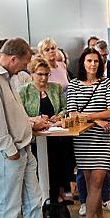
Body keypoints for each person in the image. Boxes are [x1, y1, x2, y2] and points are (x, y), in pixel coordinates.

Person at [0, 38, 72, 218]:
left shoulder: (9, 78)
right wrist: (10, 151)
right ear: (13, 59)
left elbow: (14, 114)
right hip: (8, 153)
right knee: (9, 205)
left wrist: (30, 125)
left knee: (34, 201)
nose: (26, 67)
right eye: (25, 62)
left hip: (24, 147)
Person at [66, 47, 110, 218]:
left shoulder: (107, 84)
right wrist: (95, 119)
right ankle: (99, 216)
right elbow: (72, 114)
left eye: (96, 61)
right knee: (89, 182)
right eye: (89, 61)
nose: (93, 64)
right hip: (83, 138)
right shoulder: (74, 85)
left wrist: (87, 116)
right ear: (83, 63)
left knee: (98, 179)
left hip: (103, 137)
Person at [18, 58, 70, 202]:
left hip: (54, 135)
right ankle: (39, 199)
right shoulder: (24, 91)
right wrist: (36, 118)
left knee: (55, 167)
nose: (44, 78)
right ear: (32, 73)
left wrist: (57, 116)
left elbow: (65, 108)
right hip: (34, 138)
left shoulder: (56, 88)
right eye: (40, 74)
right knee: (37, 169)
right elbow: (20, 114)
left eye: (47, 74)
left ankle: (54, 198)